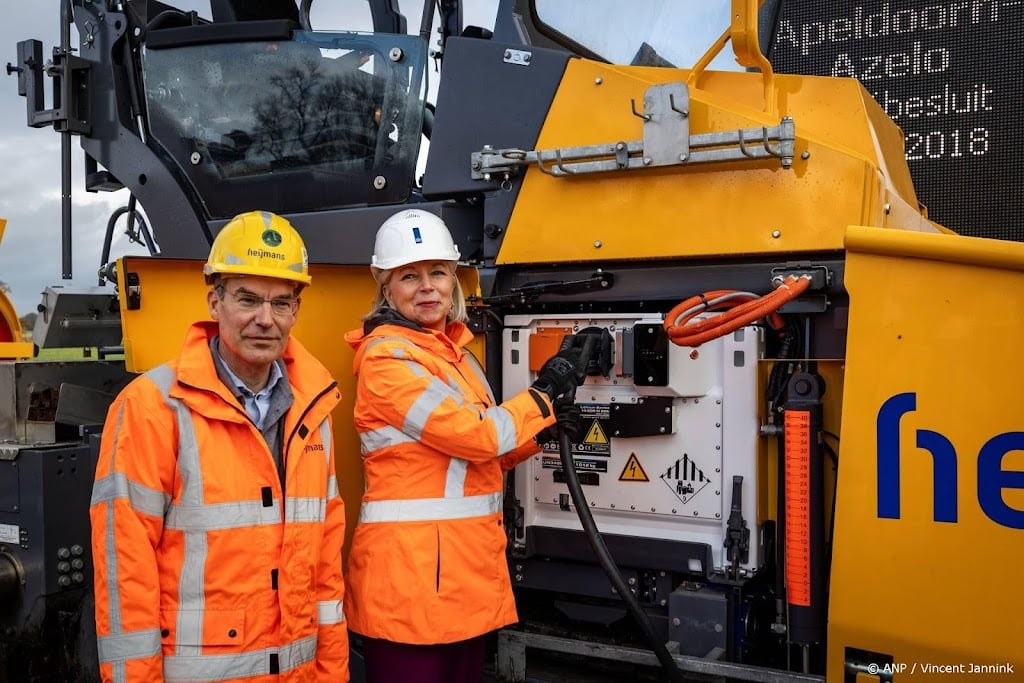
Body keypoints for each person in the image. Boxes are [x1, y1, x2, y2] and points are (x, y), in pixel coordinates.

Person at [89, 211, 349, 683]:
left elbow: (325, 572)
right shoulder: (151, 408)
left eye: (280, 303)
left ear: (297, 310)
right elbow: (125, 570)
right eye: (247, 299)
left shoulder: (313, 409)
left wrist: (332, 674)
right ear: (215, 300)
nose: (264, 320)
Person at [343, 208, 585, 683]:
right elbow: (478, 435)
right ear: (385, 288)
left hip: (461, 576)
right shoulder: (387, 360)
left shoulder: (455, 354)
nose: (428, 286)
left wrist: (539, 435)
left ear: (454, 280)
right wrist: (544, 393)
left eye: (438, 273)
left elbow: (474, 452)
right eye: (409, 276)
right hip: (410, 585)